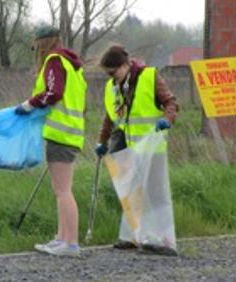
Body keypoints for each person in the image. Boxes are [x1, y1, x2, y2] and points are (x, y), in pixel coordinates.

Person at [94, 45, 179, 255]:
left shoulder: (149, 76)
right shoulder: (112, 87)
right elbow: (109, 117)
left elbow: (171, 102)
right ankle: (134, 236)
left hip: (153, 146)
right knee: (131, 192)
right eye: (108, 74)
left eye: (113, 72)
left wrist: (166, 120)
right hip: (129, 147)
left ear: (124, 65)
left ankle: (163, 240)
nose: (111, 77)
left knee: (156, 192)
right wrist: (102, 141)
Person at [14, 25, 87, 257]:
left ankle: (71, 243)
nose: (35, 50)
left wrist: (29, 104)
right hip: (70, 132)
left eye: (35, 45)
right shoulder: (71, 65)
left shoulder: (54, 61)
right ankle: (61, 238)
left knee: (63, 191)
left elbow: (54, 92)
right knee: (61, 190)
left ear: (42, 43)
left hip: (60, 134)